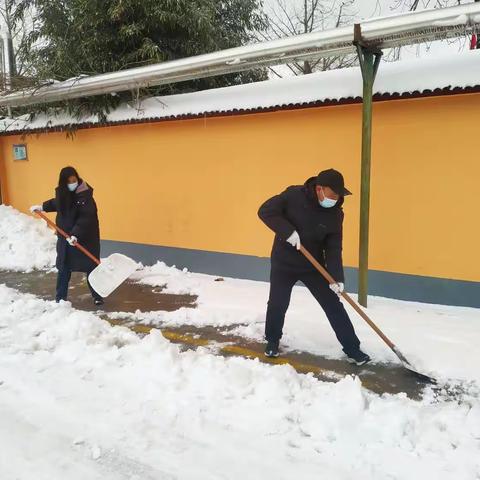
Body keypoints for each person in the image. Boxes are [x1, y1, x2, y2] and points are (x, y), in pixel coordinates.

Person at [258, 168, 370, 365]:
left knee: (333, 305)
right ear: (319, 189)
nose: (335, 199)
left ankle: (353, 348)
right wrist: (287, 232)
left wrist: (336, 278)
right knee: (278, 303)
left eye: (338, 195)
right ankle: (272, 341)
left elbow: (334, 248)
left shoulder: (335, 214)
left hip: (313, 266)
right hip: (284, 262)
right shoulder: (293, 195)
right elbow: (265, 211)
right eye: (332, 194)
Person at [30, 166, 104, 305]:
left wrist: (76, 234)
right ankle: (60, 299)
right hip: (65, 239)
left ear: (77, 179)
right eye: (69, 181)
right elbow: (56, 203)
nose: (72, 183)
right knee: (64, 268)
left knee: (90, 268)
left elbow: (86, 218)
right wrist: (42, 207)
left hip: (85, 240)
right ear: (63, 182)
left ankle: (98, 296)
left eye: (74, 180)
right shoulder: (63, 194)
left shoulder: (85, 196)